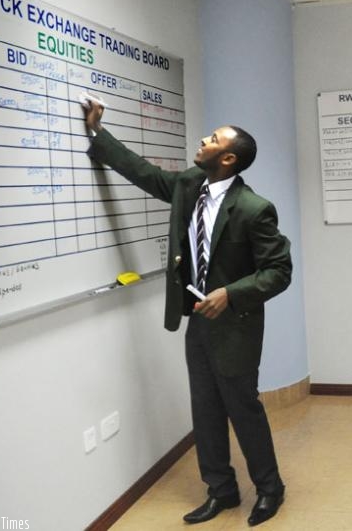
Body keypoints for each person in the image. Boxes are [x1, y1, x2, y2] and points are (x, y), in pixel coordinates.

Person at [82, 101, 291, 527]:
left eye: (213, 139)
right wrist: (97, 134)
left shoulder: (254, 208)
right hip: (197, 322)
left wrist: (231, 294)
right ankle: (222, 490)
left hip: (235, 328)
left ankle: (270, 489)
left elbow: (279, 272)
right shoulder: (190, 186)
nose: (203, 140)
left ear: (228, 158)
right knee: (205, 409)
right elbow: (145, 173)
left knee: (242, 409)